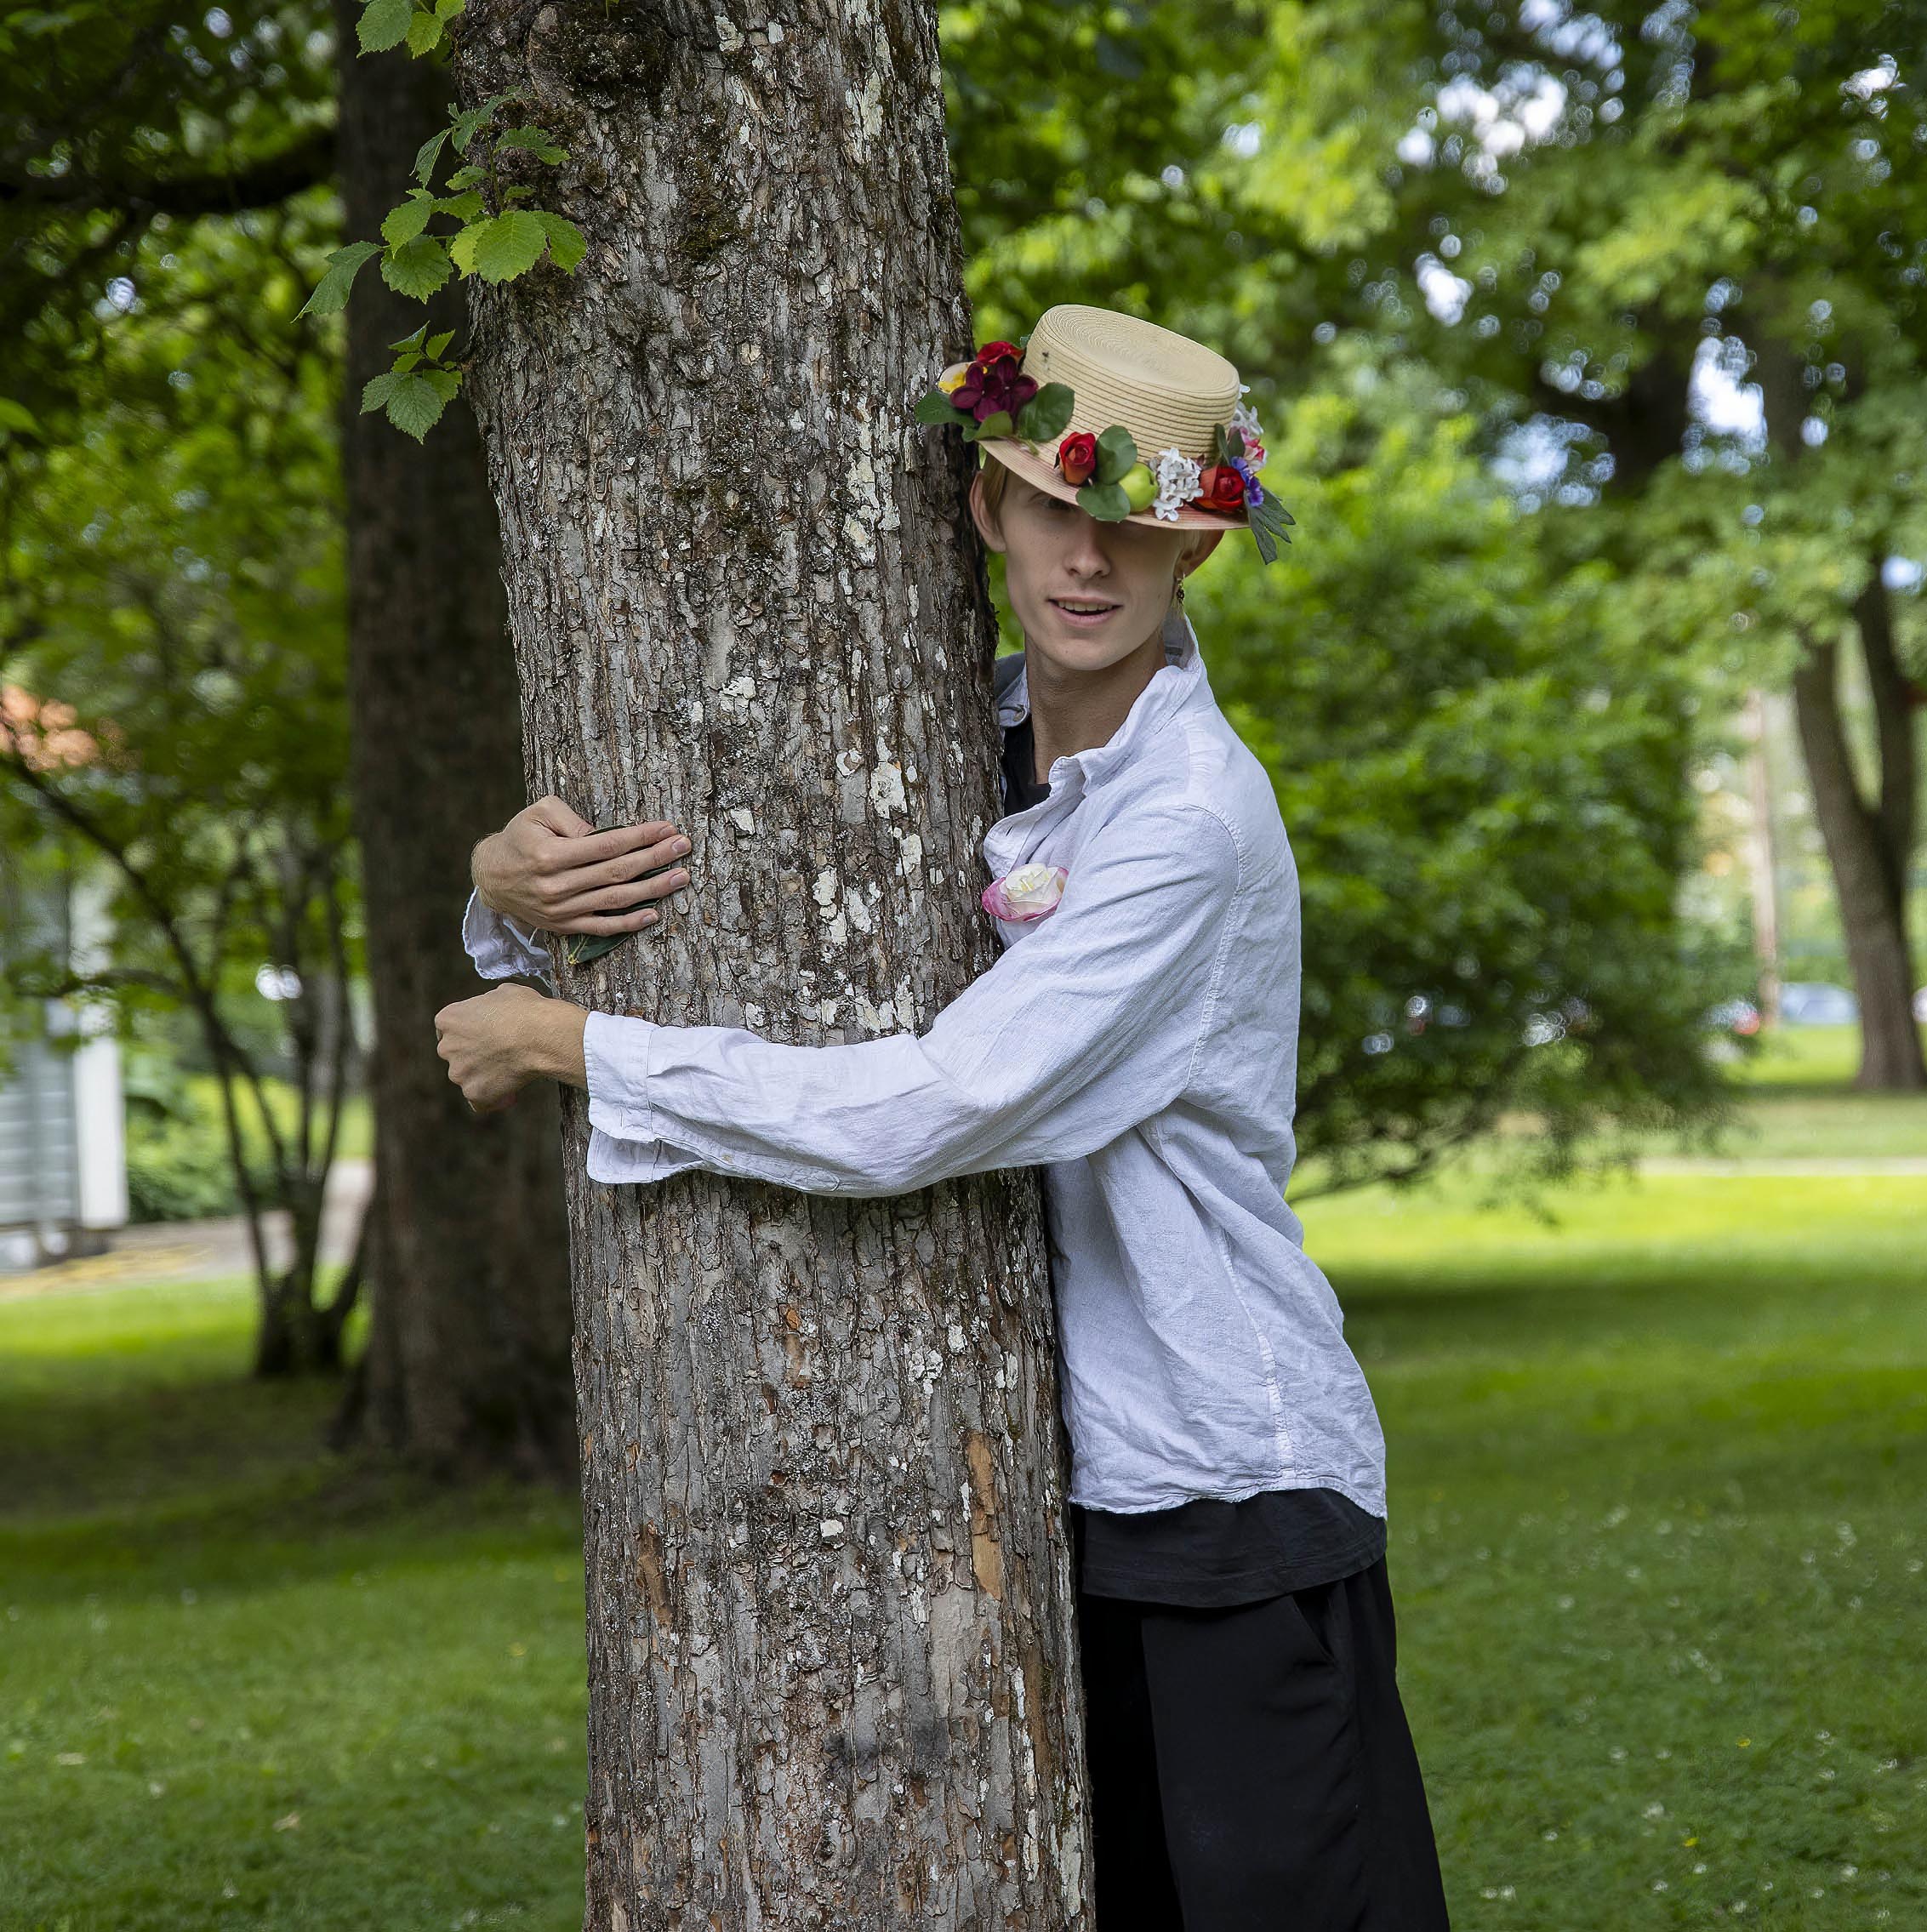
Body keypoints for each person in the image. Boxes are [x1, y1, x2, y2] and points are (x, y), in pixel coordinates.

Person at [432, 305, 1451, 1932]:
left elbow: (931, 1105)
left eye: (1142, 528)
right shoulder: (940, 749)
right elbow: (691, 907)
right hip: (1064, 1489)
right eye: (1059, 508)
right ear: (988, 508)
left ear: (1199, 550)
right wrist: (504, 894)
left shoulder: (1185, 817)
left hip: (1221, 1483)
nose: (1094, 562)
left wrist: (578, 1047)